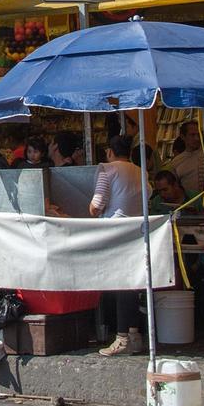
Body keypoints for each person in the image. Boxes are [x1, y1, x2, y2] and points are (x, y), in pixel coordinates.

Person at [91, 135, 147, 357]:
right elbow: (148, 194)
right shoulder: (140, 171)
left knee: (120, 284)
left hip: (114, 231)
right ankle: (134, 335)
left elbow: (96, 205)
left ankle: (122, 337)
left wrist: (93, 210)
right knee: (132, 282)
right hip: (136, 230)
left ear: (110, 152)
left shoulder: (107, 169)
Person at [170, 120, 204, 198]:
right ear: (183, 136)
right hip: (190, 205)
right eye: (192, 135)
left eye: (199, 135)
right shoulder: (176, 162)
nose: (197, 138)